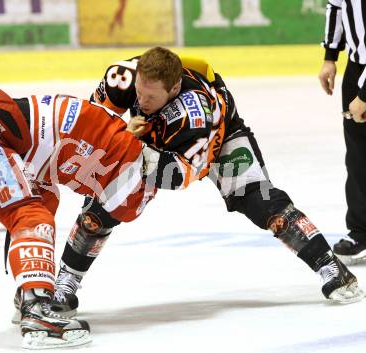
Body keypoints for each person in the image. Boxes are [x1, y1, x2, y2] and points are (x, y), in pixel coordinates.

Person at [51, 47, 364, 316]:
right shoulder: (121, 78)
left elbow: (180, 175)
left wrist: (131, 147)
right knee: (102, 207)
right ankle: (65, 284)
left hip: (216, 140)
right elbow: (89, 123)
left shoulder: (196, 115)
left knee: (261, 202)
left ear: (173, 89)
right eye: (139, 93)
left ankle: (331, 266)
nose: (140, 100)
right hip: (153, 139)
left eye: (151, 96)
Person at [0, 71, 160, 349]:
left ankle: (28, 291)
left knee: (44, 200)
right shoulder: (116, 146)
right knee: (32, 214)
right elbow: (119, 206)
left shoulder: (103, 128)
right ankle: (38, 306)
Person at [318, 0, 366, 265]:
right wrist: (330, 57)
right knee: (358, 154)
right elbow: (335, 6)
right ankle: (361, 231)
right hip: (357, 66)